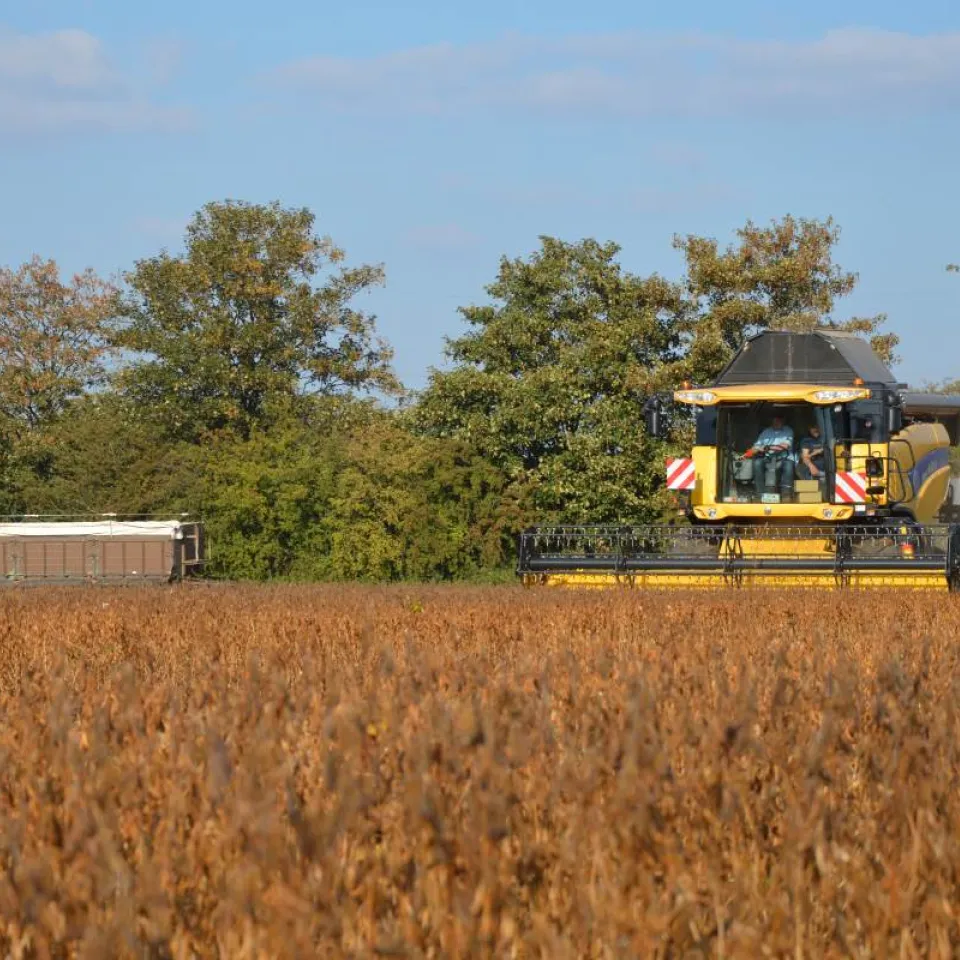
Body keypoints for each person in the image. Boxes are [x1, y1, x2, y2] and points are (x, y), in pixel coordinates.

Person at [744, 413, 795, 499]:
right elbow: (755, 447)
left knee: (789, 466)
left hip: (784, 458)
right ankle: (760, 493)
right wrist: (746, 454)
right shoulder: (766, 432)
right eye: (775, 420)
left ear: (783, 421)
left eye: (779, 420)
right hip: (768, 458)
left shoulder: (788, 431)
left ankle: (786, 494)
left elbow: (784, 446)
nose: (777, 422)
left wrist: (766, 447)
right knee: (757, 463)